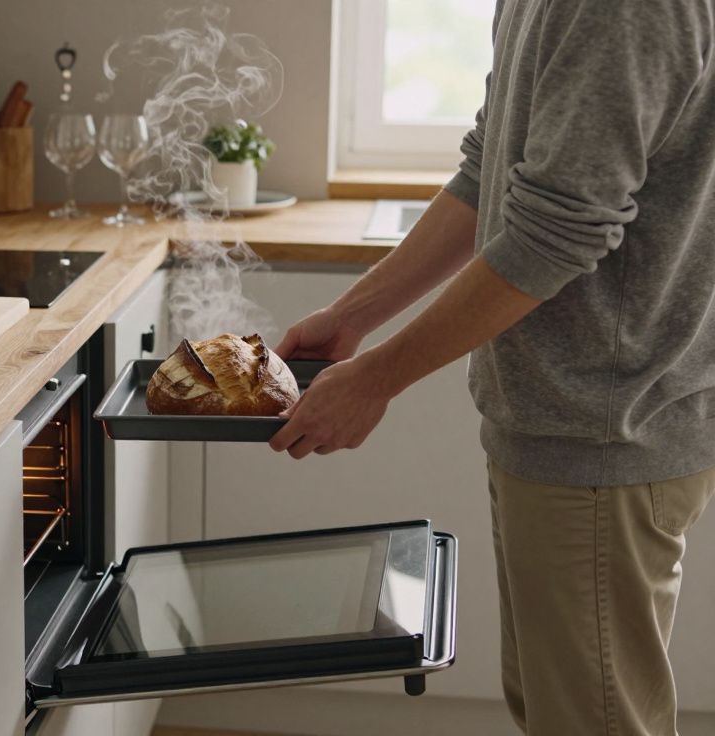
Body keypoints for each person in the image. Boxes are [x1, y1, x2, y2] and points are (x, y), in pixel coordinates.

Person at [269, 0, 715, 733]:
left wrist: (378, 378)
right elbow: (491, 169)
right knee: (556, 711)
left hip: (603, 431)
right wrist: (353, 318)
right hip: (563, 423)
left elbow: (556, 231)